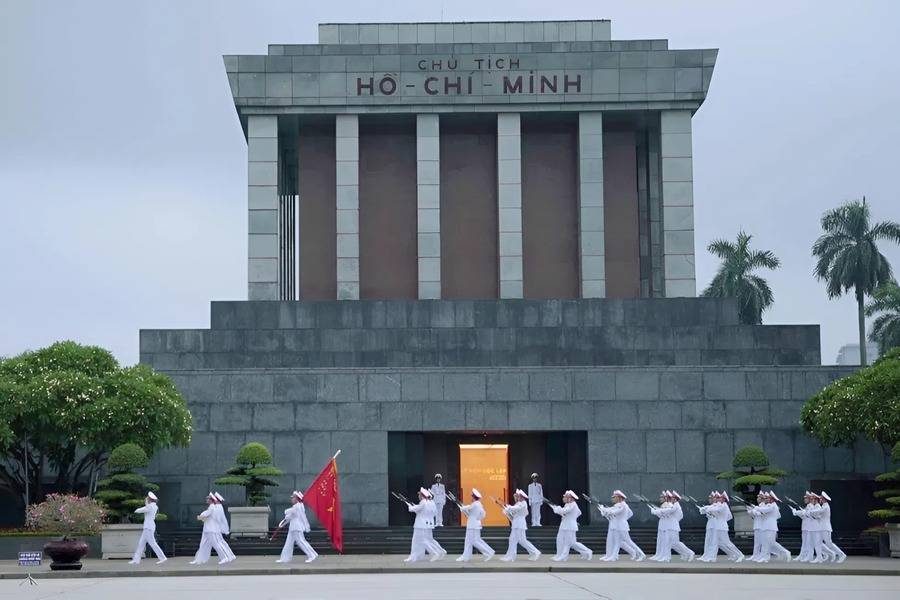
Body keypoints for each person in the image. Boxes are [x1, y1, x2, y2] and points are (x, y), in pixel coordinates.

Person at [596, 490, 645, 561]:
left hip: (622, 526)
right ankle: (613, 556)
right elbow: (611, 510)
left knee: (628, 541)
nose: (613, 498)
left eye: (614, 497)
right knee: (617, 542)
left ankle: (641, 554)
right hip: (618, 526)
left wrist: (604, 509)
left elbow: (614, 512)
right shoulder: (619, 505)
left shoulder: (623, 505)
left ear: (619, 498)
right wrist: (603, 509)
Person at [697, 491, 743, 562]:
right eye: (718, 498)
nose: (718, 499)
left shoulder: (723, 506)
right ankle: (712, 557)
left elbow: (715, 509)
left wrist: (706, 509)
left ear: (724, 499)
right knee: (714, 542)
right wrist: (705, 508)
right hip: (717, 527)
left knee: (727, 543)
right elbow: (712, 507)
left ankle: (740, 555)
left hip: (722, 527)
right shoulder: (719, 505)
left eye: (719, 498)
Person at [276, 490, 318, 564]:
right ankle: (284, 558)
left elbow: (288, 513)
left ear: (296, 498)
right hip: (293, 527)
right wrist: (282, 524)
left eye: (293, 498)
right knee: (288, 543)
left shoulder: (298, 506)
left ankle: (312, 555)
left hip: (297, 527)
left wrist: (285, 515)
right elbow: (289, 517)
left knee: (301, 542)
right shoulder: (296, 506)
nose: (292, 499)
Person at [747, 491, 790, 562]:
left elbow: (765, 510)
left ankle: (784, 552)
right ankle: (765, 556)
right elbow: (762, 511)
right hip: (765, 526)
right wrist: (754, 510)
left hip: (771, 526)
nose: (766, 499)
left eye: (767, 498)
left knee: (769, 542)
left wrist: (756, 508)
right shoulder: (768, 505)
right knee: (766, 542)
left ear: (772, 499)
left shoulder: (772, 506)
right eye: (765, 498)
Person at [550, 490, 592, 561]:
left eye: (566, 497)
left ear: (571, 498)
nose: (564, 498)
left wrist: (557, 509)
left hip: (569, 526)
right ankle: (559, 555)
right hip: (564, 525)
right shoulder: (568, 505)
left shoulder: (573, 504)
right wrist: (559, 510)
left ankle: (563, 556)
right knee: (561, 540)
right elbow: (578, 512)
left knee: (567, 543)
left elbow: (564, 511)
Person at [500, 489, 541, 562]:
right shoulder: (518, 503)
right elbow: (513, 514)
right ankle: (510, 556)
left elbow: (515, 508)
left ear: (521, 497)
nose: (516, 497)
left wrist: (508, 508)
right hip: (516, 524)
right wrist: (506, 511)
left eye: (518, 496)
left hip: (519, 524)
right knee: (514, 540)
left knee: (520, 540)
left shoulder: (523, 503)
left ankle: (535, 552)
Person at [456, 488, 495, 562]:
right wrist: (477, 518)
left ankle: (489, 552)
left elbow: (467, 508)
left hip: (472, 525)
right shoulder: (479, 504)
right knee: (471, 541)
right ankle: (466, 556)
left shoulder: (474, 504)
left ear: (474, 497)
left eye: (472, 496)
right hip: (476, 524)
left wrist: (462, 508)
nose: (471, 498)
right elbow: (483, 514)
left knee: (474, 541)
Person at [792, 491, 832, 562]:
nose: (808, 499)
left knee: (816, 544)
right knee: (809, 543)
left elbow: (814, 516)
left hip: (815, 527)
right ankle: (809, 556)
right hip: (809, 527)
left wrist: (799, 513)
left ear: (815, 499)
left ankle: (826, 555)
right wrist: (800, 512)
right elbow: (805, 515)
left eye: (810, 498)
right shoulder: (810, 506)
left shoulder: (818, 507)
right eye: (809, 498)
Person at [129, 491, 167, 565]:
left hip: (148, 527)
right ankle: (136, 560)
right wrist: (146, 503)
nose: (146, 499)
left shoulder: (150, 506)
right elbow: (144, 508)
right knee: (141, 544)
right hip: (148, 527)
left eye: (147, 498)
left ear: (149, 499)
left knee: (153, 543)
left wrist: (145, 503)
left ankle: (162, 557)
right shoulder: (154, 506)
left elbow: (139, 510)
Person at [190, 493, 228, 565]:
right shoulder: (212, 507)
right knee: (202, 544)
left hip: (211, 529)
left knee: (216, 544)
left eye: (208, 499)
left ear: (211, 500)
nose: (206, 500)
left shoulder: (212, 507)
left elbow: (206, 515)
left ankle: (224, 557)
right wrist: (202, 516)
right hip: (207, 529)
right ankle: (198, 559)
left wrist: (201, 516)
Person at [404, 488, 441, 563]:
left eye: (419, 495)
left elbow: (412, 509)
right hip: (427, 525)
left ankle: (434, 553)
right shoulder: (429, 503)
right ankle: (417, 556)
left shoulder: (423, 502)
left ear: (422, 495)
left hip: (420, 525)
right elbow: (425, 511)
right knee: (420, 541)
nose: (418, 496)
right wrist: (415, 507)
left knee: (419, 541)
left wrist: (409, 506)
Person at [818, 491, 847, 562]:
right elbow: (818, 516)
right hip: (822, 528)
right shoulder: (823, 506)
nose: (820, 500)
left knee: (829, 543)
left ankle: (841, 554)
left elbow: (817, 512)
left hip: (826, 528)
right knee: (818, 543)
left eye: (821, 498)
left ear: (824, 499)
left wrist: (809, 512)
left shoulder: (826, 507)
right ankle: (830, 554)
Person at [666, 491, 695, 561]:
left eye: (672, 498)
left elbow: (669, 511)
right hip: (672, 526)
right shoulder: (675, 505)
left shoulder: (676, 505)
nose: (671, 499)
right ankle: (684, 554)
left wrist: (660, 511)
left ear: (675, 499)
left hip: (674, 526)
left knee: (676, 542)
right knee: (672, 543)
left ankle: (690, 553)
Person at [422, 488, 447, 560]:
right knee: (430, 539)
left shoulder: (430, 503)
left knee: (427, 539)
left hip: (428, 523)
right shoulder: (431, 502)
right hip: (429, 523)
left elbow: (432, 513)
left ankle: (436, 553)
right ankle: (441, 551)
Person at [212, 492, 236, 563]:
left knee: (219, 543)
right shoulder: (218, 507)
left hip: (216, 528)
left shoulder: (218, 507)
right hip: (216, 528)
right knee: (221, 543)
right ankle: (230, 555)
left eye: (214, 499)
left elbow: (218, 519)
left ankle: (226, 557)